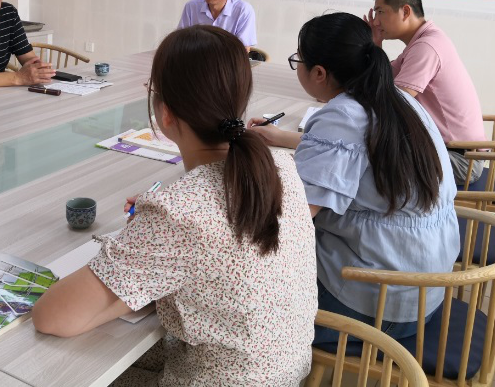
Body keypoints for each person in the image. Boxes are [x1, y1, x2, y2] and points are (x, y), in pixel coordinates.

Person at [33, 25, 317, 386]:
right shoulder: (281, 166)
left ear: (166, 115)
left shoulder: (178, 213)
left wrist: (153, 231)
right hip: (287, 373)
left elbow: (52, 317)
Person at [248, 13, 460, 349]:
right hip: (423, 290)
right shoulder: (397, 99)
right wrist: (280, 137)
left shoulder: (342, 115)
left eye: (298, 61)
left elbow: (289, 218)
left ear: (319, 73)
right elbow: (360, 150)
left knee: (242, 285)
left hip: (376, 305)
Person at [364, 0, 485, 184]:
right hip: (444, 150)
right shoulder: (421, 42)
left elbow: (395, 102)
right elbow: (383, 79)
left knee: (367, 158)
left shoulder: (426, 46)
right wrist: (376, 46)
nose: (375, 22)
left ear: (405, 11)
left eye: (380, 12)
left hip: (459, 160)